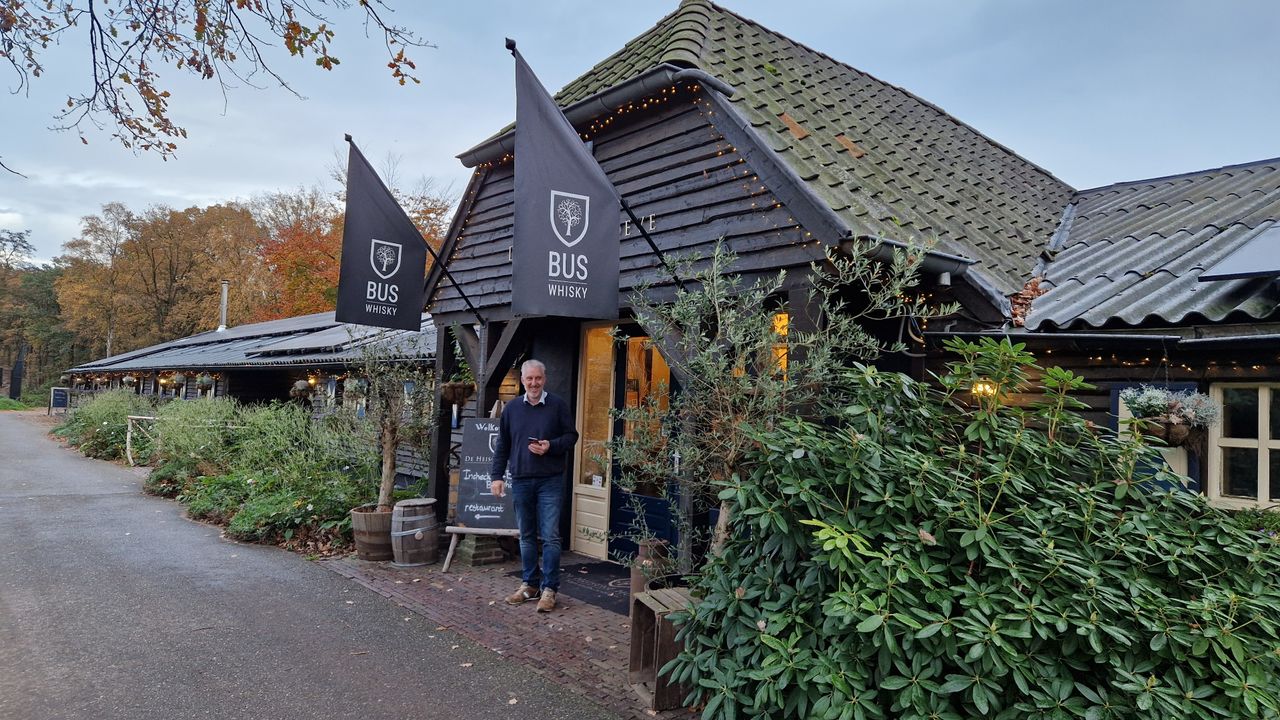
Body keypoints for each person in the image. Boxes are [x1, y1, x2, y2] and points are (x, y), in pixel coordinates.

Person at [490, 358, 579, 612]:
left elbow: (571, 436)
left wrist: (551, 446)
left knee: (550, 536)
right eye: (529, 379)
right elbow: (503, 446)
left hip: (550, 479)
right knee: (526, 536)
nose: (534, 383)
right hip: (520, 479)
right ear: (522, 381)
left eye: (538, 378)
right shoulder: (512, 409)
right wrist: (497, 476)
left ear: (544, 379)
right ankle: (529, 584)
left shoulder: (557, 405)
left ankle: (550, 589)